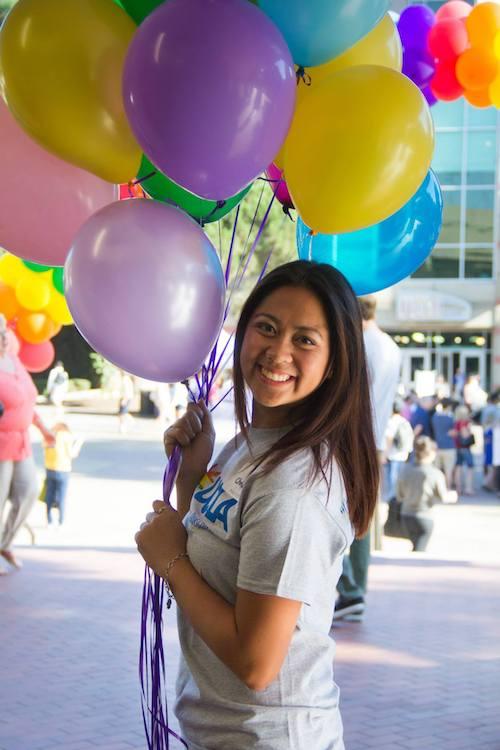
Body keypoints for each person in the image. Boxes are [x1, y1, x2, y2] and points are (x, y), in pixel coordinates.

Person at [135, 261, 379, 750]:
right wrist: (190, 478)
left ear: (335, 362)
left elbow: (256, 663)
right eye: (266, 328)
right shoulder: (252, 443)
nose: (278, 352)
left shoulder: (295, 483)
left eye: (305, 340)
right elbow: (221, 561)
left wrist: (170, 562)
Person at [333, 294, 401, 622]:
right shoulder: (391, 346)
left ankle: (349, 588)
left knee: (332, 511)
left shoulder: (358, 345)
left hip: (350, 438)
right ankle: (355, 587)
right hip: (375, 440)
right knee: (362, 517)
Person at [0, 314, 54, 572]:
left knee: (29, 491)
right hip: (1, 444)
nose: (2, 339)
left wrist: (44, 430)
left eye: (2, 335)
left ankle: (5, 542)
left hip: (20, 442)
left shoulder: (12, 361)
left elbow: (27, 402)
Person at [397, 437, 458, 552]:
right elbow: (443, 497)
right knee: (419, 551)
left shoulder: (405, 469)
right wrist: (453, 496)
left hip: (405, 515)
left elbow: (399, 495)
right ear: (431, 453)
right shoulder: (435, 473)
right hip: (424, 516)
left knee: (416, 547)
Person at [43, 422, 83, 527]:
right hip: (63, 469)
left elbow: (45, 448)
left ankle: (49, 520)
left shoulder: (49, 435)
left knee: (49, 495)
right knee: (61, 496)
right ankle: (61, 521)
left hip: (50, 469)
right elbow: (72, 453)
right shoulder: (66, 436)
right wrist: (79, 443)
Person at [384, 401, 414, 499]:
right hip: (403, 453)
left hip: (393, 454)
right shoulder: (404, 421)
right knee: (399, 477)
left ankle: (393, 499)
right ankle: (399, 497)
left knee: (393, 478)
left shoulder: (391, 421)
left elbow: (389, 438)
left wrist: (385, 453)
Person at [431, 398, 457, 489]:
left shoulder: (435, 417)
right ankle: (448, 489)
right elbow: (453, 432)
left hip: (438, 446)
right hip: (449, 447)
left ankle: (436, 489)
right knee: (448, 471)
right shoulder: (451, 417)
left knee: (437, 470)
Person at [454, 405, 475, 496]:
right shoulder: (464, 423)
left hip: (457, 447)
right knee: (470, 467)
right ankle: (468, 488)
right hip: (465, 448)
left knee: (458, 467)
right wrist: (470, 432)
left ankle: (458, 488)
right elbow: (465, 435)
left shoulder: (456, 422)